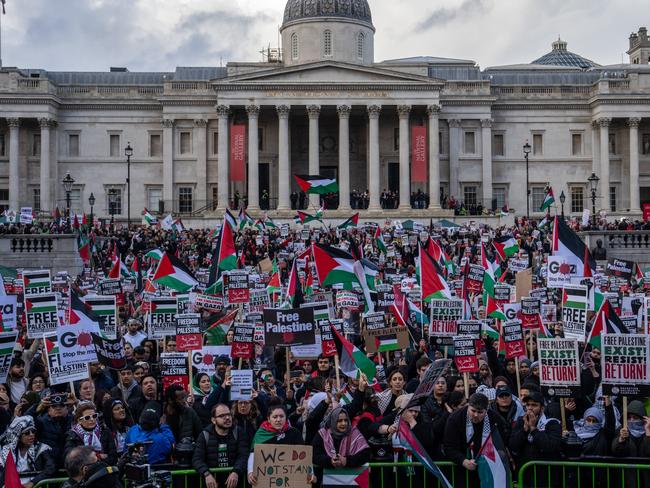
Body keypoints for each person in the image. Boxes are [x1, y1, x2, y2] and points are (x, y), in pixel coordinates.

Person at [443, 393, 509, 487]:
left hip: (487, 467)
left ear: (486, 410)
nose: (475, 415)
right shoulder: (455, 419)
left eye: (480, 412)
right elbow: (449, 447)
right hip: (462, 469)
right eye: (473, 411)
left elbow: (503, 440)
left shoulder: (494, 418)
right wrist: (463, 461)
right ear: (468, 406)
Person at [247, 401, 313, 486]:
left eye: (281, 416)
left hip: (290, 482)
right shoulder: (261, 434)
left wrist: (311, 473)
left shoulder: (294, 433)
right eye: (275, 417)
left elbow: (304, 455)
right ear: (268, 418)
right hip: (267, 483)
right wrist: (250, 472)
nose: (278, 420)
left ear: (286, 418)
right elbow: (253, 454)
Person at [192, 403, 249, 488]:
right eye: (222, 415)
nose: (227, 418)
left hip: (234, 484)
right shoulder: (204, 435)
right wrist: (206, 474)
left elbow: (243, 455)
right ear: (213, 420)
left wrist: (236, 472)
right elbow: (197, 459)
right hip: (213, 483)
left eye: (229, 414)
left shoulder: (238, 432)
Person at [509, 390, 561, 482]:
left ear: (542, 408)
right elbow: (513, 446)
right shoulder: (521, 421)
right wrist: (524, 430)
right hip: (525, 474)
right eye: (528, 405)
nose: (530, 408)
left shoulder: (552, 423)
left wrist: (533, 429)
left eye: (534, 405)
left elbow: (551, 446)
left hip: (545, 476)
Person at [312, 407, 371, 487]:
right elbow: (315, 455)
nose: (344, 423)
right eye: (339, 421)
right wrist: (330, 461)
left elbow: (366, 454)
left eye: (346, 420)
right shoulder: (323, 434)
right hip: (327, 483)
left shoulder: (354, 433)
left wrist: (347, 461)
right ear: (333, 421)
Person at [0, 416, 56, 488]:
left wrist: (33, 482)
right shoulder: (7, 451)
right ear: (19, 436)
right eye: (27, 433)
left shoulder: (42, 448)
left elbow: (51, 468)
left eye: (33, 431)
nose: (31, 434)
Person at [34, 392, 74, 467]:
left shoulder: (74, 420)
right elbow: (26, 421)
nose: (58, 408)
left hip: (69, 462)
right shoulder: (41, 421)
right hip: (47, 463)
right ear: (49, 410)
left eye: (62, 405)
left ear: (67, 408)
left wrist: (77, 403)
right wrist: (38, 408)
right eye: (54, 406)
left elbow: (89, 417)